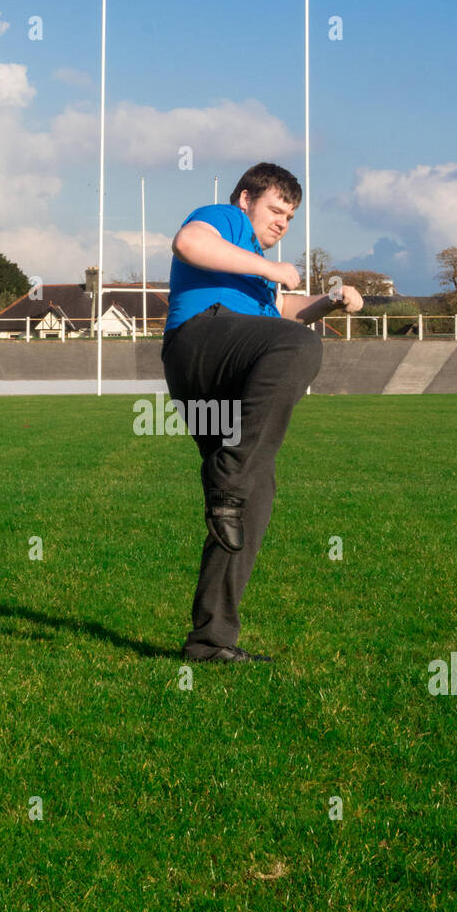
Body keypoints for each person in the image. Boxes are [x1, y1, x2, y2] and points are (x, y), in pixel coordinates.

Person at [161, 161, 363, 664]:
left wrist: (330, 301)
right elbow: (188, 243)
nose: (282, 223)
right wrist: (272, 268)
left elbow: (282, 315)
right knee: (296, 348)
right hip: (202, 343)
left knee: (255, 494)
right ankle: (229, 479)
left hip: (226, 370)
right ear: (246, 199)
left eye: (290, 217)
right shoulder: (225, 222)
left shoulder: (253, 273)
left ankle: (210, 641)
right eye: (276, 210)